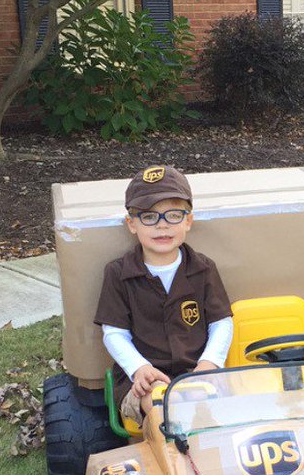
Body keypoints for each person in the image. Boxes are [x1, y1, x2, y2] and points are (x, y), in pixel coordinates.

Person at [95, 165, 233, 424]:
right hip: (145, 379)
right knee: (160, 404)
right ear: (132, 224)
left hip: (198, 372)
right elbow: (114, 333)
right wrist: (139, 368)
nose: (162, 226)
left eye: (173, 215)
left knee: (217, 409)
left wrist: (209, 364)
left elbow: (221, 322)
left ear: (188, 221)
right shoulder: (118, 273)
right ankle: (168, 454)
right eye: (149, 217)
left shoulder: (203, 269)